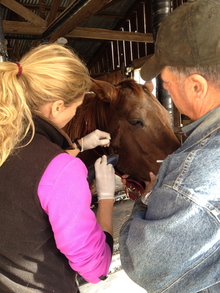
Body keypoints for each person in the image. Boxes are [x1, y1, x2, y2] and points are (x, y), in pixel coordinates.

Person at [119, 0, 220, 292]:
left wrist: (147, 199)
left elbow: (144, 265)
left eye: (167, 82)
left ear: (197, 86)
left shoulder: (194, 177)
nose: (169, 91)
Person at [0, 43, 116, 293]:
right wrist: (107, 199)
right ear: (57, 107)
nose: (74, 116)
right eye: (75, 109)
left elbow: (30, 167)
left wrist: (80, 144)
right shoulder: (63, 170)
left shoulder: (6, 137)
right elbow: (95, 268)